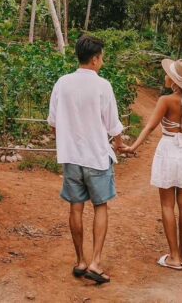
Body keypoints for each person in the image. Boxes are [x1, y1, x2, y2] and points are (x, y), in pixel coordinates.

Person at [119, 58, 182, 271]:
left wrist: (133, 147)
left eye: (168, 74)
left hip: (169, 151)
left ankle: (173, 256)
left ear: (174, 80)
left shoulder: (166, 100)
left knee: (167, 205)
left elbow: (149, 127)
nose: (165, 76)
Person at [47, 34, 124, 285]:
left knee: (75, 206)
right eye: (101, 57)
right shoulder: (103, 86)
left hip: (71, 156)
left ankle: (80, 260)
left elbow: (54, 123)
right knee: (100, 206)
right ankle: (96, 262)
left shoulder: (62, 83)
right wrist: (121, 145)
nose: (102, 61)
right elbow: (113, 126)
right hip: (97, 156)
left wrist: (68, 139)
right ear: (94, 59)